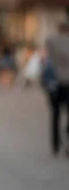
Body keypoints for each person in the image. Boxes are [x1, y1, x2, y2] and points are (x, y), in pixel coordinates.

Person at [44, 23, 69, 157]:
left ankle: (57, 144)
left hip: (56, 84)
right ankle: (59, 143)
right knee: (57, 114)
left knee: (56, 115)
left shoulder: (52, 42)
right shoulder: (55, 41)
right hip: (60, 83)